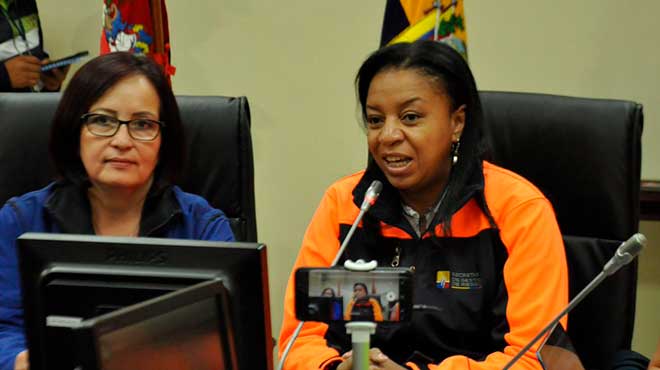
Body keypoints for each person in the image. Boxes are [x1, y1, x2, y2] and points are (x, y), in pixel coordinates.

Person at [278, 40, 568, 370]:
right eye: (375, 120)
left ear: (457, 122)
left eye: (410, 117)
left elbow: (533, 359)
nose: (387, 135)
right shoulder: (345, 206)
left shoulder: (519, 210)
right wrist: (331, 368)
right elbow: (298, 340)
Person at [0, 51, 234, 370]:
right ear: (75, 130)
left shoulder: (203, 228)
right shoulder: (20, 221)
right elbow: (4, 327)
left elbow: (231, 339)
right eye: (103, 120)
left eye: (142, 124)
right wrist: (19, 360)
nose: (122, 140)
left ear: (164, 139)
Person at [0, 0, 68, 91]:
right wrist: (4, 78)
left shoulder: (28, 3)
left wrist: (48, 81)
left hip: (35, 103)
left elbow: (35, 53)